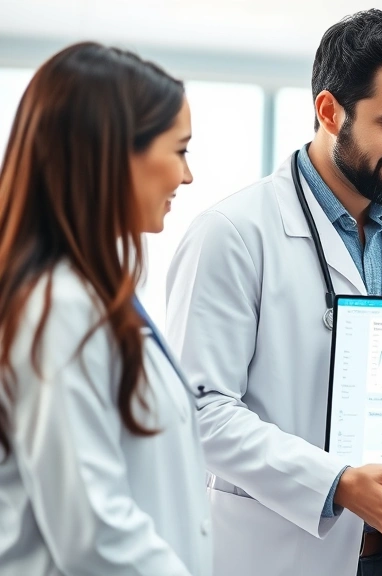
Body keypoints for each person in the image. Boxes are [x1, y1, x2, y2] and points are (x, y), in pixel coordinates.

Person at [164, 10, 382, 576]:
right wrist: (339, 485)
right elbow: (196, 411)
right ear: (330, 112)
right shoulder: (232, 234)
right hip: (277, 555)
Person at [0, 42, 211, 575]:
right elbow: (94, 532)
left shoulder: (89, 294)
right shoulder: (59, 308)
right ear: (115, 154)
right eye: (179, 150)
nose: (186, 177)